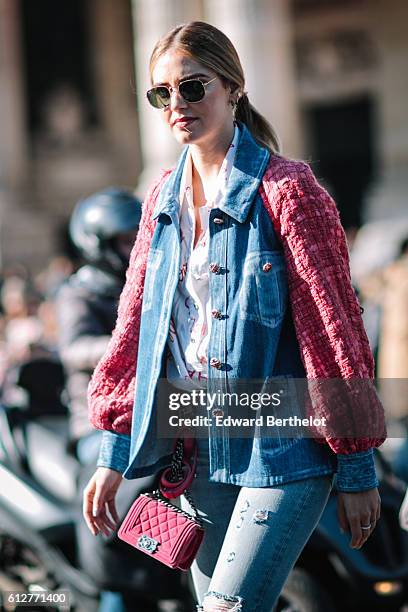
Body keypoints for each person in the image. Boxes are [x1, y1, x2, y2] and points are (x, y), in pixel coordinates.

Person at [82, 22, 386, 612]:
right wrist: (114, 453)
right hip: (193, 450)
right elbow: (136, 335)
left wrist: (355, 465)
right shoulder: (161, 201)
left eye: (192, 87)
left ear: (233, 88)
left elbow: (334, 331)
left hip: (285, 448)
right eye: (161, 93)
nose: (177, 105)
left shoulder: (289, 190)